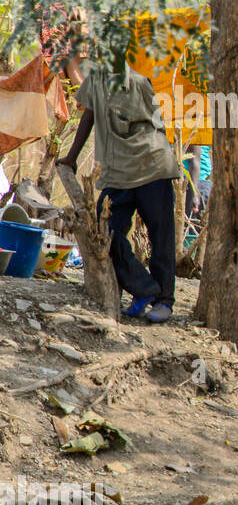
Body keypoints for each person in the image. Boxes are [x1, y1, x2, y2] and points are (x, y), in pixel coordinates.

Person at [56, 51, 179, 323]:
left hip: (151, 167)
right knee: (105, 230)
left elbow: (141, 128)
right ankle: (144, 289)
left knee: (161, 235)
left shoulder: (137, 83)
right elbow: (88, 115)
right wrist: (72, 157)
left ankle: (164, 301)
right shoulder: (95, 81)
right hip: (119, 171)